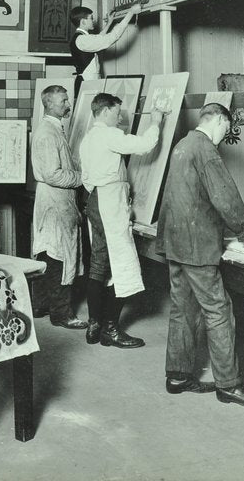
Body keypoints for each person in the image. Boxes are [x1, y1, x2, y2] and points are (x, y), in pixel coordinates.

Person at [156, 103, 244, 407]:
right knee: (218, 310)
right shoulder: (205, 149)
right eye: (226, 127)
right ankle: (229, 384)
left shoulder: (183, 145)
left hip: (175, 241)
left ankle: (178, 375)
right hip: (196, 245)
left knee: (182, 308)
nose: (225, 135)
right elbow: (224, 195)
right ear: (219, 120)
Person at [79, 92, 164, 348]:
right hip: (109, 202)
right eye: (117, 112)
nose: (120, 117)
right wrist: (157, 122)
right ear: (105, 111)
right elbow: (143, 145)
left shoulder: (89, 138)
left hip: (96, 199)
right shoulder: (108, 134)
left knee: (100, 261)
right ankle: (111, 330)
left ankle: (95, 325)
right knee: (123, 263)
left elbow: (85, 178)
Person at [30, 84, 88, 330]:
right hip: (55, 201)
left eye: (67, 99)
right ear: (49, 104)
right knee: (59, 258)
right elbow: (52, 174)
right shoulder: (47, 133)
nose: (68, 104)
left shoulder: (53, 129)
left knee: (50, 256)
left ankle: (42, 305)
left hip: (56, 201)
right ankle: (61, 314)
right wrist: (82, 177)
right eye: (63, 100)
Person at [69, 2, 142, 94]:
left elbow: (98, 38)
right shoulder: (82, 39)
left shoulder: (81, 38)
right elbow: (111, 38)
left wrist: (109, 23)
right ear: (83, 21)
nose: (93, 21)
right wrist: (131, 13)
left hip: (88, 82)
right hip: (87, 83)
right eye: (91, 18)